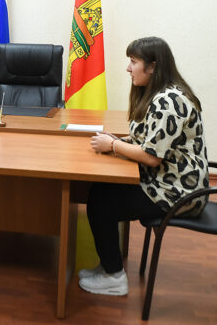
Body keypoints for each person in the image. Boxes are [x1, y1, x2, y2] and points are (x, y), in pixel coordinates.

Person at [78, 36, 209, 296]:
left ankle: (114, 277)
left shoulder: (169, 100)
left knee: (101, 202)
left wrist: (114, 146)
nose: (128, 68)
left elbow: (151, 156)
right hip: (167, 181)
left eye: (133, 61)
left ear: (153, 66)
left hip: (177, 191)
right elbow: (149, 141)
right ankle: (109, 266)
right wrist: (119, 141)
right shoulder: (161, 93)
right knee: (102, 190)